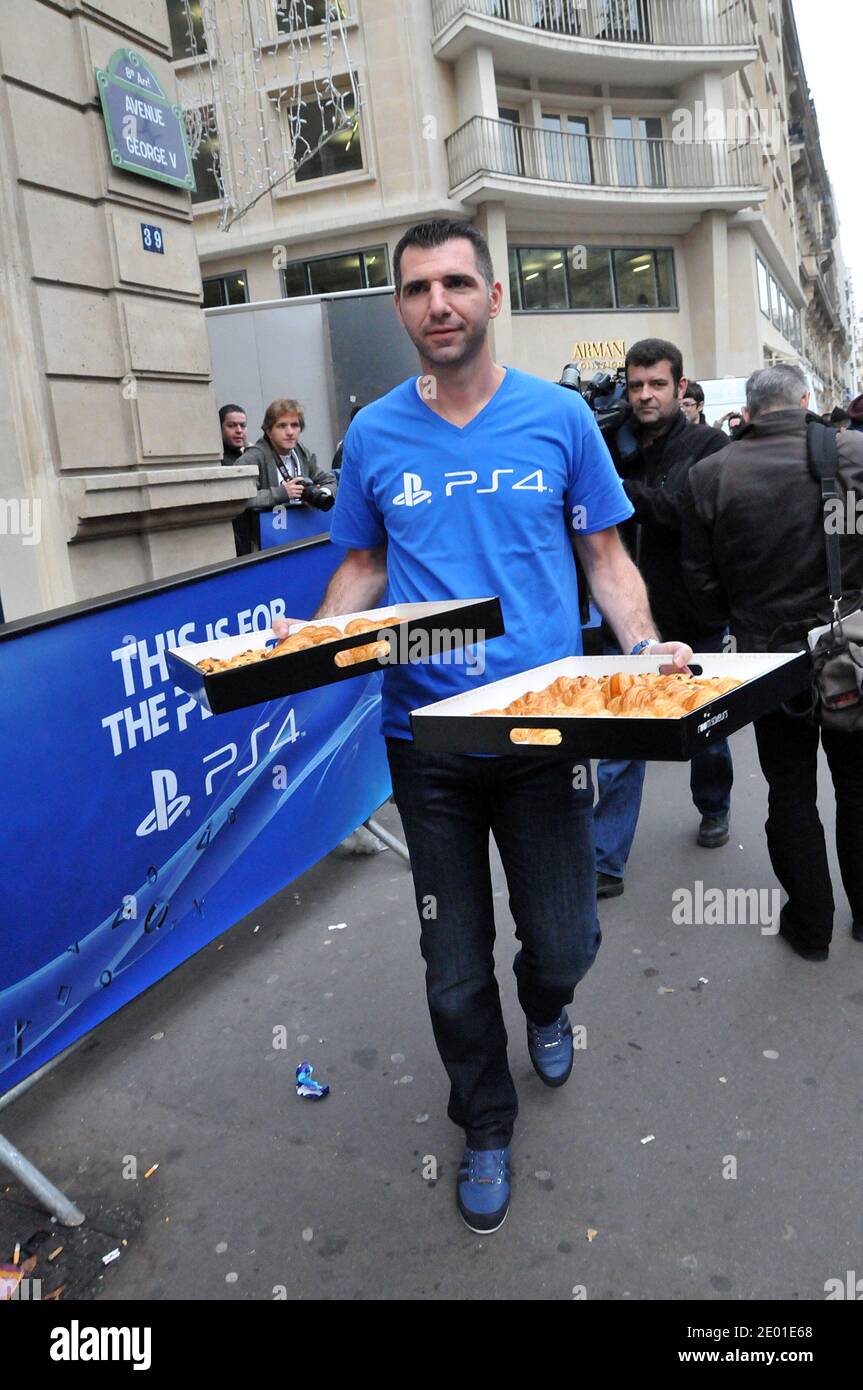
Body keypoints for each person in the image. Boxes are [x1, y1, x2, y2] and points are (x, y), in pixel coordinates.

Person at [273, 219, 692, 1233]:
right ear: (400, 308)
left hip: (541, 731)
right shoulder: (373, 433)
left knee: (564, 939)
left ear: (492, 297)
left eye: (456, 282)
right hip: (426, 742)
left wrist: (641, 644)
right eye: (417, 288)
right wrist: (309, 637)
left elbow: (604, 558)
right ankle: (484, 1122)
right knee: (450, 965)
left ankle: (545, 1004)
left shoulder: (555, 419)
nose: (438, 303)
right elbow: (364, 568)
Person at [682, 363, 863, 962]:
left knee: (790, 791)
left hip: (769, 660)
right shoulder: (854, 453)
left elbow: (701, 591)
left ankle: (810, 928)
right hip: (849, 654)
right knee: (857, 786)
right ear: (805, 400)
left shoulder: (710, 475)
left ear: (750, 412)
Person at [592, 339, 731, 900]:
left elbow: (679, 512)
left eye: (657, 385)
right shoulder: (607, 440)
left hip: (692, 615)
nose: (645, 395)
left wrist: (615, 488)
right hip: (623, 621)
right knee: (621, 737)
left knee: (704, 729)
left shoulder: (709, 444)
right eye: (636, 385)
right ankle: (607, 859)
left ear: (680, 387)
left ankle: (714, 806)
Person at [234, 399, 337, 553]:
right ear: (269, 431)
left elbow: (330, 480)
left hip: (300, 535)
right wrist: (281, 493)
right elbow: (238, 499)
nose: (290, 432)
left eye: (295, 425)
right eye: (282, 426)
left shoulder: (301, 452)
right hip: (265, 547)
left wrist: (321, 494)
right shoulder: (253, 457)